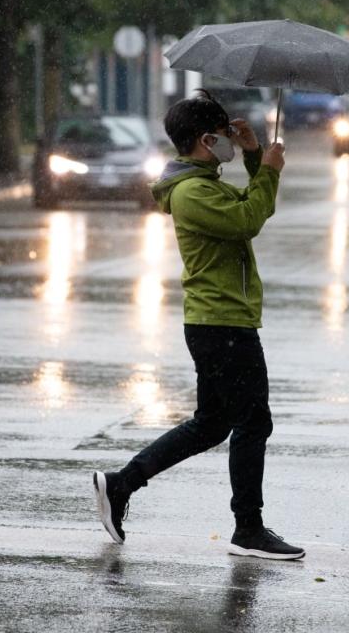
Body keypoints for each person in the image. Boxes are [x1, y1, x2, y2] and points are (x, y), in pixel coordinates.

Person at [92, 90, 304, 561]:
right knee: (253, 421)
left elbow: (251, 204)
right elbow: (249, 218)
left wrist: (253, 153)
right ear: (206, 139)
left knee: (212, 424)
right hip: (221, 322)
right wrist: (268, 168)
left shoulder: (203, 181)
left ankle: (121, 485)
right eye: (226, 135)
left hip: (221, 321)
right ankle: (248, 529)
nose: (231, 140)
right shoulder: (192, 192)